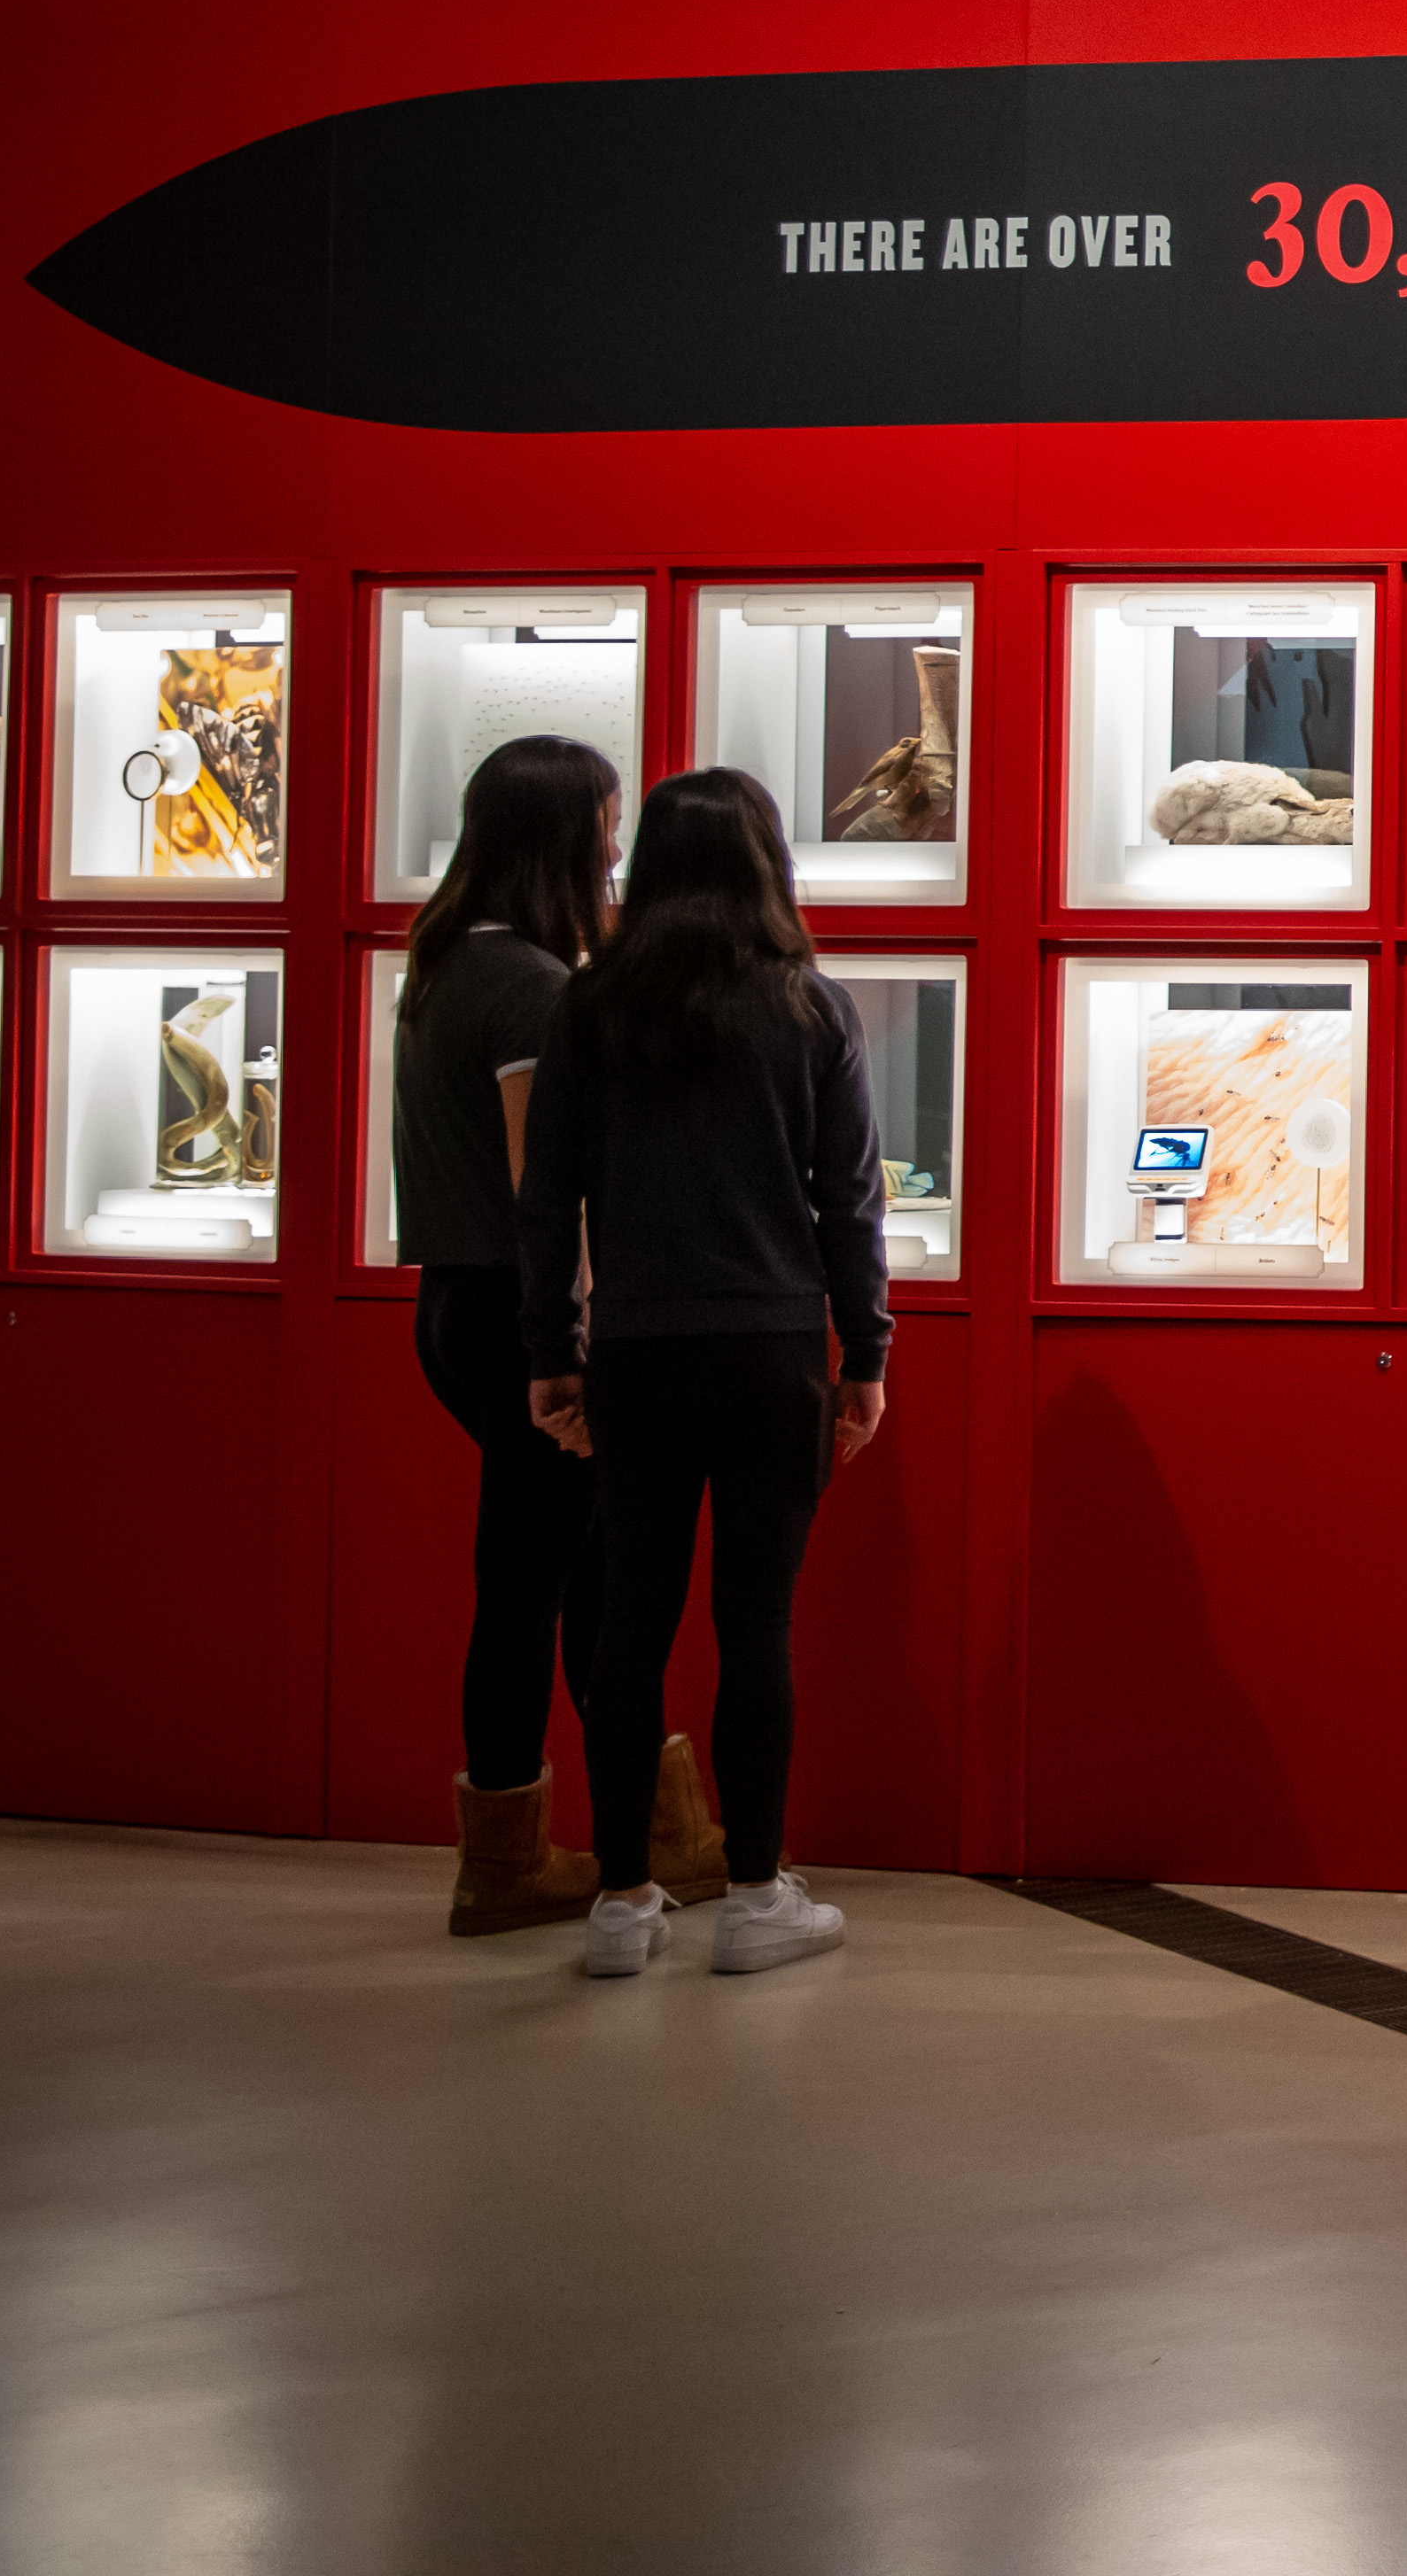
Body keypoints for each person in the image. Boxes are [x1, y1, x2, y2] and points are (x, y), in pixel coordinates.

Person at [519, 768, 890, 1980]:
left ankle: (622, 1901)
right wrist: (866, 1351)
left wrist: (550, 1353)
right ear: (765, 863)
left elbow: (547, 1201)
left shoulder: (590, 1010)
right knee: (757, 1620)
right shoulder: (807, 1008)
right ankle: (751, 1895)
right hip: (773, 1346)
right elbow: (850, 1202)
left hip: (636, 1347)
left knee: (632, 1620)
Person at [393, 734, 703, 1934]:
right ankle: (520, 1858)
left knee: (575, 1574)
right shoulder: (531, 984)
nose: (617, 850)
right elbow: (547, 1185)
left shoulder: (445, 962)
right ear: (563, 840)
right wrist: (563, 1349)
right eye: (606, 826)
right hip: (519, 1316)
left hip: (459, 1307)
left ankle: (643, 1832)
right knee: (544, 1583)